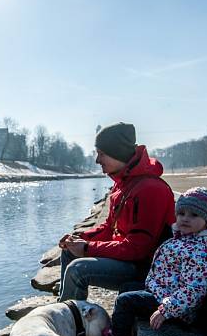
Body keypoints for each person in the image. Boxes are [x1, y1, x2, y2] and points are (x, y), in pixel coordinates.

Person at [91, 187, 207, 336]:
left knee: (125, 300)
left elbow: (194, 289)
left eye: (194, 215)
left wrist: (166, 310)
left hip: (176, 307)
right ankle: (123, 330)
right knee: (128, 287)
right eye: (181, 213)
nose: (185, 218)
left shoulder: (200, 252)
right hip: (164, 291)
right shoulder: (188, 239)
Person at [57, 122, 176, 302]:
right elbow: (109, 228)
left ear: (117, 152)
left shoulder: (150, 189)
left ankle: (71, 323)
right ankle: (68, 311)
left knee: (77, 269)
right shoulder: (123, 184)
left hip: (145, 267)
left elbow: (138, 249)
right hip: (128, 259)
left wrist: (87, 248)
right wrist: (80, 239)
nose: (97, 160)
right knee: (69, 251)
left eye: (101, 154)